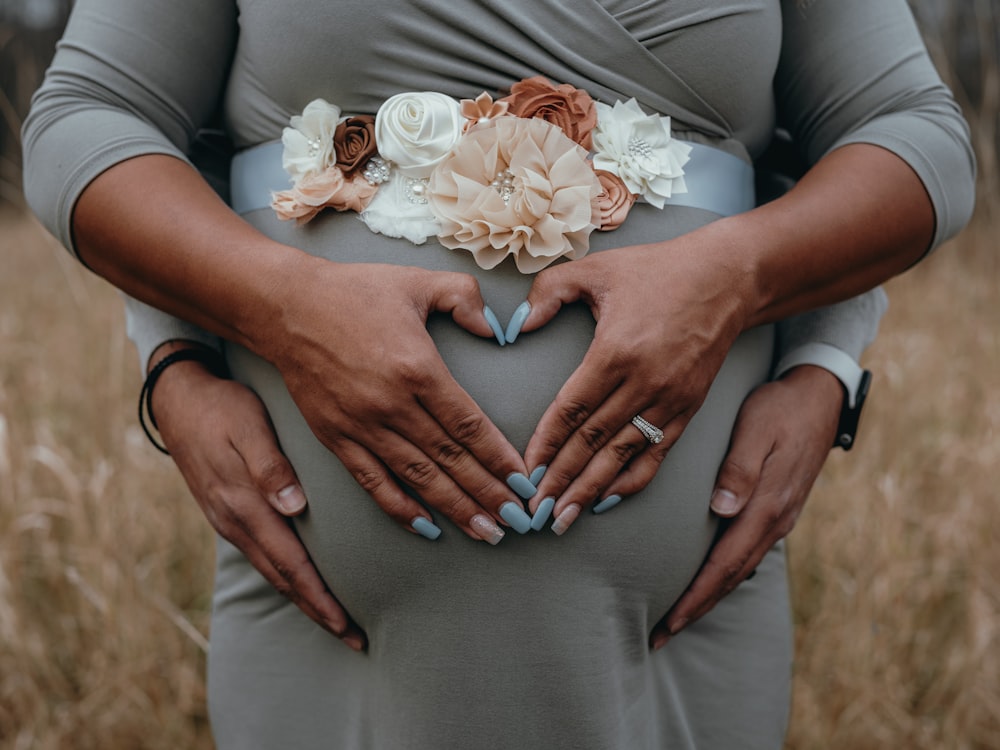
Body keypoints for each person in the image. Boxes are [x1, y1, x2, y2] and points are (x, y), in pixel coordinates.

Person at [22, 1, 974, 748]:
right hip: (327, 615)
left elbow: (910, 135)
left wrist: (815, 352)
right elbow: (91, 121)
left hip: (677, 627)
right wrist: (200, 344)